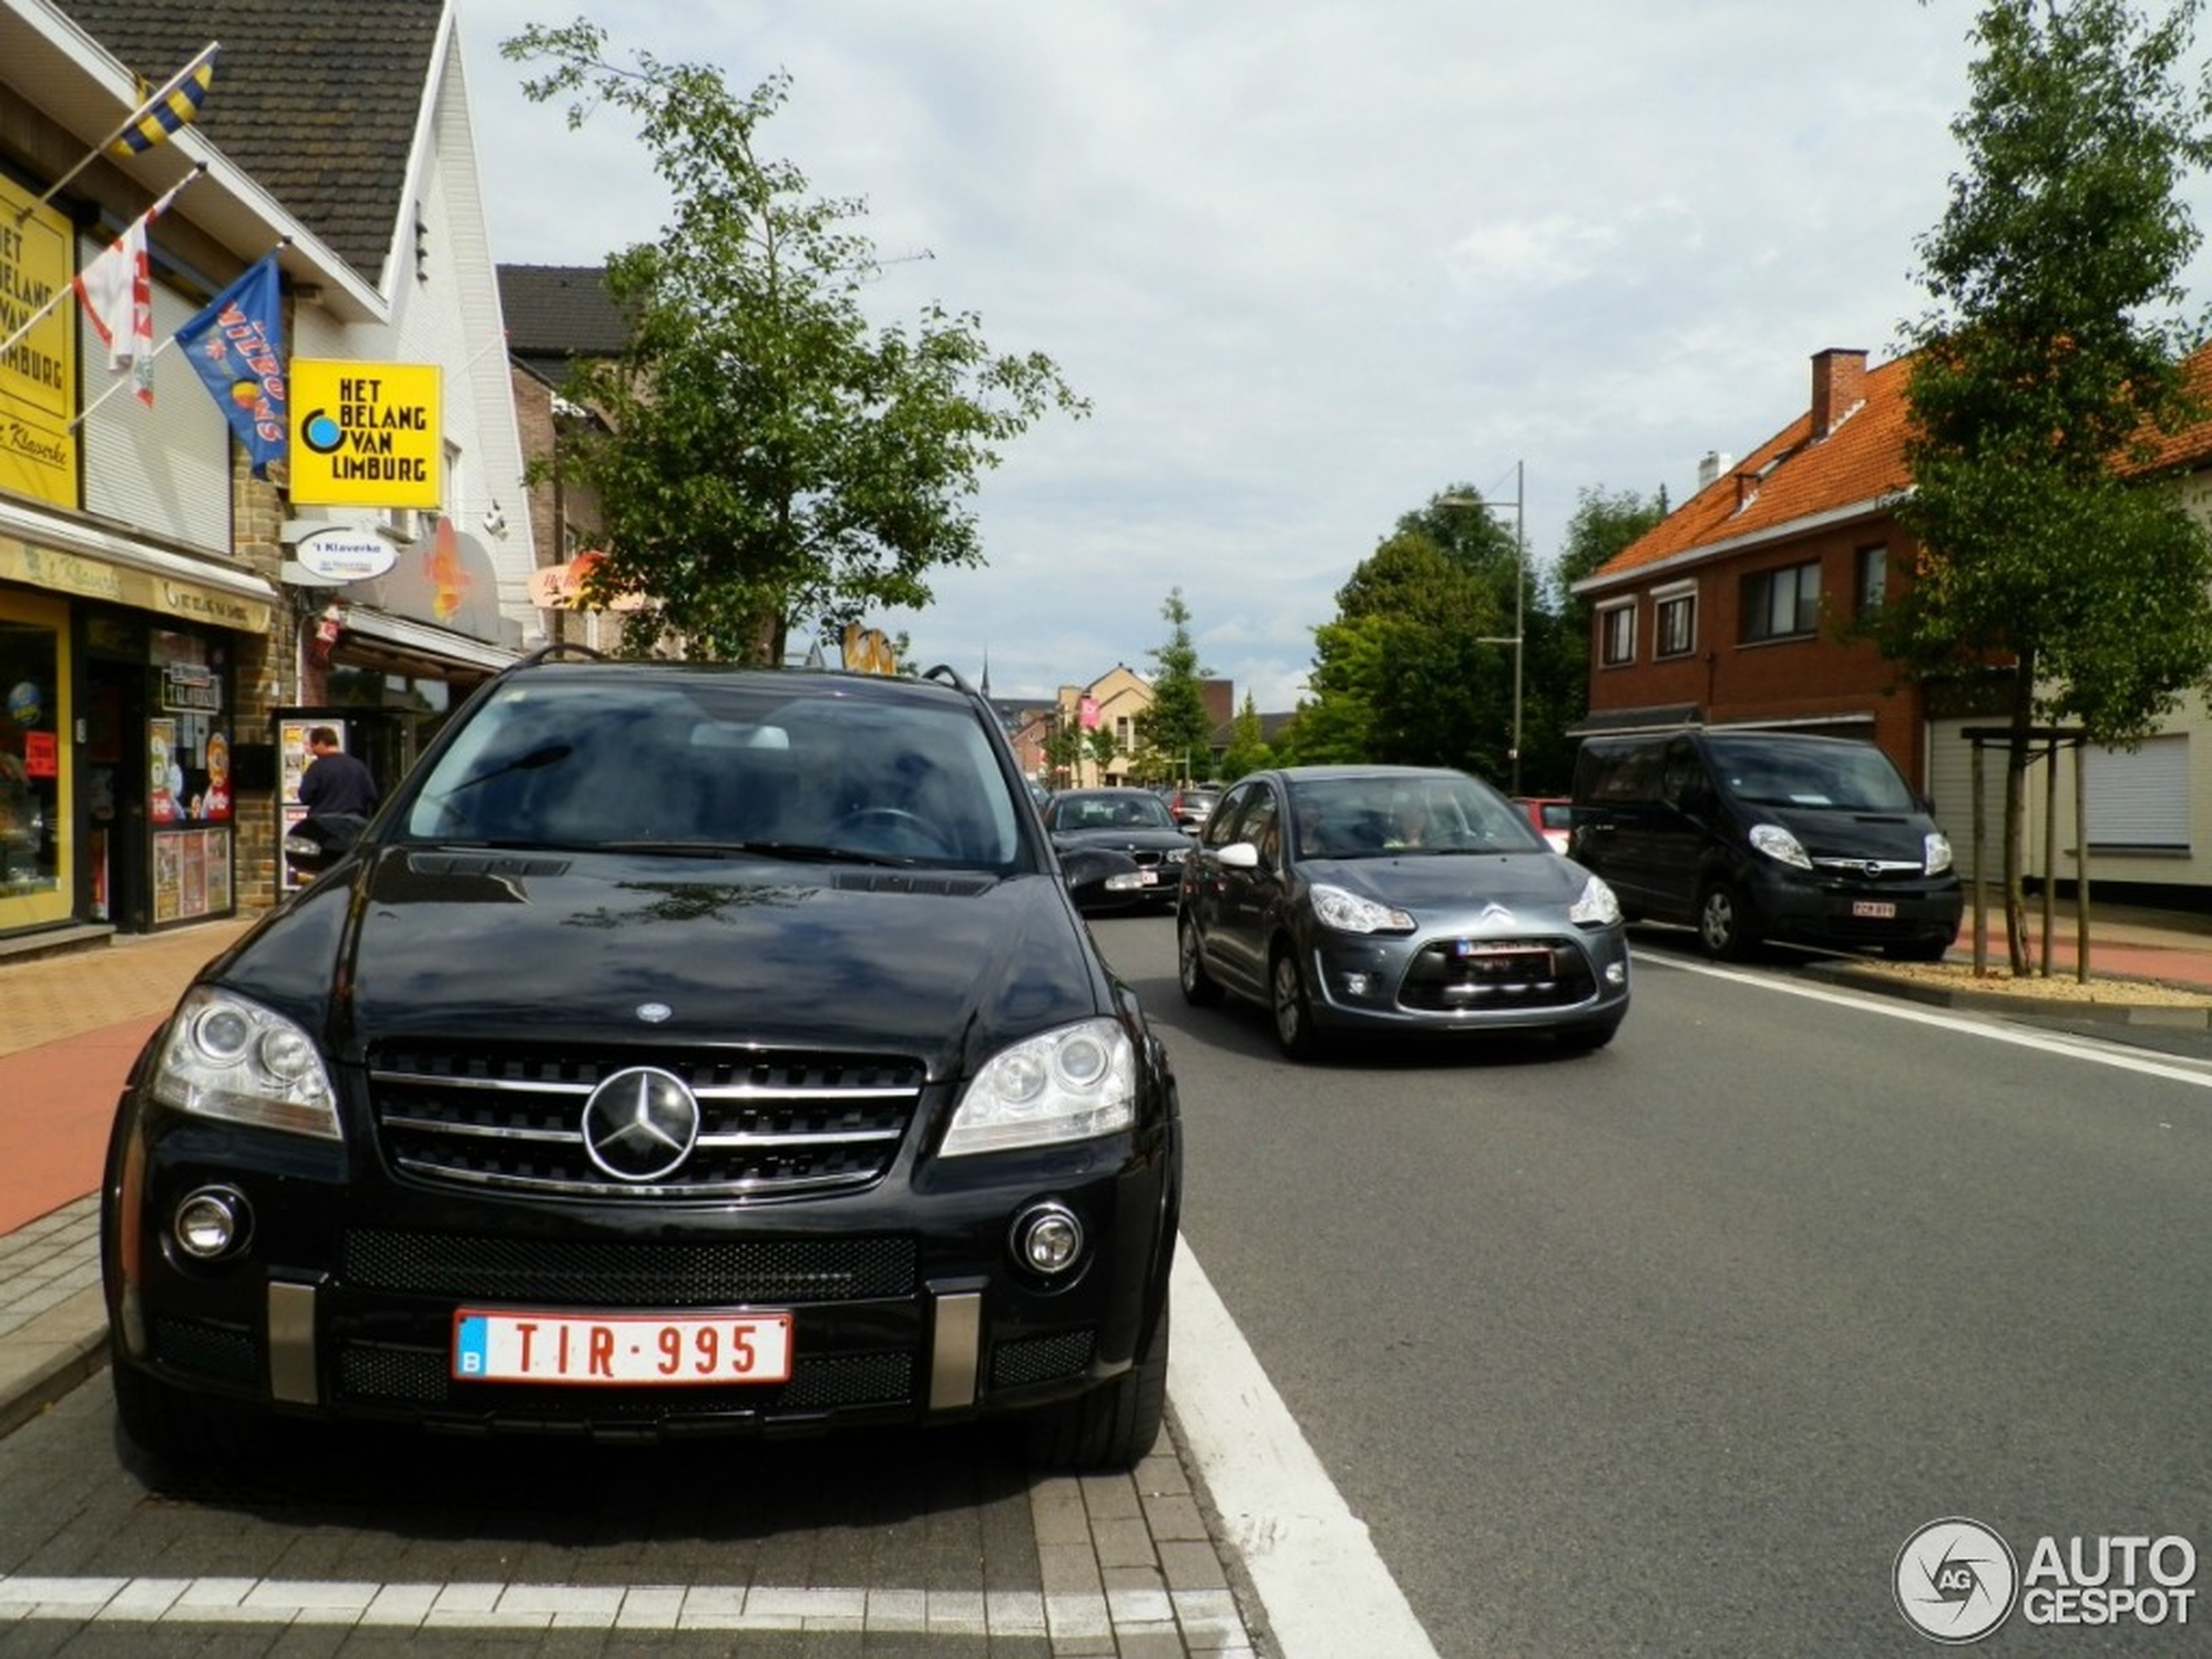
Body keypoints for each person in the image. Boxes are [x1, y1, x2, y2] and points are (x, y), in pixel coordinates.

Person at [299, 726, 379, 819]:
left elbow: (305, 796)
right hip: (353, 821)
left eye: (313, 746)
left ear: (321, 743)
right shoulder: (358, 765)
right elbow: (371, 795)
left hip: (323, 822)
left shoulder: (317, 767)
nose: (313, 751)